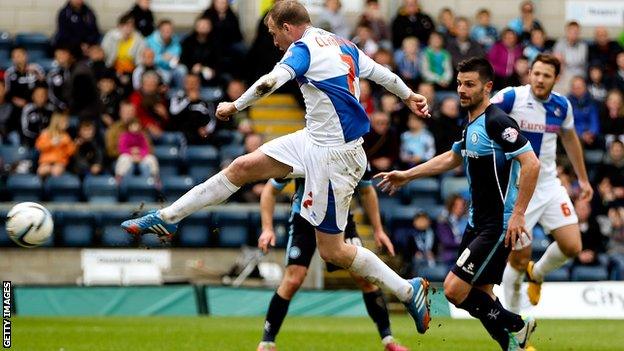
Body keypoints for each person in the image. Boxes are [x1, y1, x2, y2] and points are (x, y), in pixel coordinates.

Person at [122, 0, 432, 334]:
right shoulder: (342, 43)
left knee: (332, 251)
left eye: (273, 33)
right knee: (241, 167)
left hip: (334, 156)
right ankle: (167, 218)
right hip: (313, 139)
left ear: (287, 27)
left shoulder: (302, 49)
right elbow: (383, 75)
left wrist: (235, 105)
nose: (273, 41)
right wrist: (409, 94)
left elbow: (270, 82)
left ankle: (406, 288)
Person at [375, 57, 540, 350]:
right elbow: (452, 157)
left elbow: (531, 164)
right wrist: (407, 175)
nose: (461, 90)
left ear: (488, 87)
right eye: (459, 84)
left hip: (496, 225)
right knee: (482, 294)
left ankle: (515, 321)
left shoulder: (497, 121)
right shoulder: (471, 124)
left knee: (453, 290)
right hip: (477, 223)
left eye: (469, 84)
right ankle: (514, 344)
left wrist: (518, 214)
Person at [257, 170, 407, 351]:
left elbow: (367, 191)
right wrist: (267, 228)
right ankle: (267, 342)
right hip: (304, 220)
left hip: (340, 218)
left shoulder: (354, 153)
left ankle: (388, 340)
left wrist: (378, 230)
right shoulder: (302, 152)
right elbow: (270, 190)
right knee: (293, 279)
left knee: (364, 278)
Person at [492, 54, 593, 313]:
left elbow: (570, 140)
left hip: (549, 184)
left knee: (572, 245)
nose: (539, 79)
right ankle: (514, 326)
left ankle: (536, 273)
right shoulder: (512, 98)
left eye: (546, 75)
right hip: (518, 190)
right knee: (517, 259)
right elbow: (483, 116)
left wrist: (583, 179)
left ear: (556, 79)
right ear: (529, 74)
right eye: (536, 73)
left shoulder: (562, 106)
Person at [169, 74, 216, 145]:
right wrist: (188, 99)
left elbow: (213, 118)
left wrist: (207, 130)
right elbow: (174, 112)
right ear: (184, 84)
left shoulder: (207, 101)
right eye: (188, 83)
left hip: (203, 133)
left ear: (199, 84)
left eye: (194, 83)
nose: (191, 85)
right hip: (183, 133)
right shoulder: (177, 98)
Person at [101, 13, 146, 78]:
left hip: (131, 70)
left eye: (132, 26)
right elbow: (104, 53)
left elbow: (139, 60)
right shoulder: (110, 36)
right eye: (126, 25)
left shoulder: (139, 39)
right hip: (112, 68)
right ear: (120, 26)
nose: (129, 28)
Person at [146, 19, 186, 89]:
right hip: (156, 68)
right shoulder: (149, 41)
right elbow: (148, 59)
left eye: (169, 29)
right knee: (165, 76)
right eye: (164, 29)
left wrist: (170, 59)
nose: (167, 31)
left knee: (182, 70)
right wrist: (162, 58)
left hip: (171, 68)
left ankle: (181, 93)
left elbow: (177, 53)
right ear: (159, 30)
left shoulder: (175, 40)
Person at [35, 113, 76, 178]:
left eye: (67, 122)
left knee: (56, 171)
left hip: (59, 162)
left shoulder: (66, 137)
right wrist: (51, 143)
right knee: (41, 171)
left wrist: (67, 143)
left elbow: (71, 152)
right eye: (64, 122)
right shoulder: (45, 134)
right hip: (46, 161)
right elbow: (39, 146)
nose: (66, 124)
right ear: (57, 122)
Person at [568, 76, 600, 149]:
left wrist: (591, 133)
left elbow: (594, 121)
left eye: (579, 87)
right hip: (574, 135)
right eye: (575, 87)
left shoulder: (592, 102)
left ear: (585, 87)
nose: (577, 89)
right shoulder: (567, 103)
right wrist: (581, 134)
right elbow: (568, 123)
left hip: (591, 136)